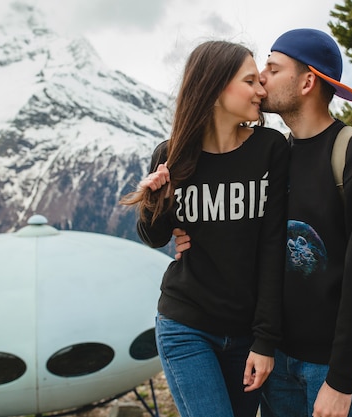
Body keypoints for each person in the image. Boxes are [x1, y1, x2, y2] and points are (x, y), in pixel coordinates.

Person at [173, 28, 352, 417]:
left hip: (334, 369)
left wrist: (341, 381)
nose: (261, 79)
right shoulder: (275, 155)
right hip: (277, 364)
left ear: (308, 81)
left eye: (273, 69)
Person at [120, 40, 289, 417]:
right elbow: (155, 236)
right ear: (215, 88)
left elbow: (273, 247)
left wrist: (264, 340)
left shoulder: (271, 149)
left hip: (247, 333)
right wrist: (152, 200)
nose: (262, 89)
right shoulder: (172, 154)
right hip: (186, 324)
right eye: (250, 81)